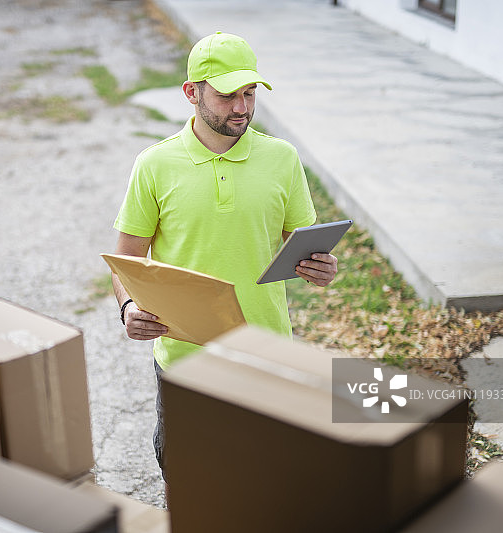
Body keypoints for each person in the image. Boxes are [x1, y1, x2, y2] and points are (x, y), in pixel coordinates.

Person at [110, 32, 338, 480]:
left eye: (250, 93)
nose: (242, 108)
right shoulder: (154, 165)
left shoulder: (282, 158)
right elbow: (127, 259)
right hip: (185, 359)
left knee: (265, 476)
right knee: (189, 477)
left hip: (267, 352)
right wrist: (129, 307)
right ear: (191, 93)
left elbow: (305, 244)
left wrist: (322, 268)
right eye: (227, 95)